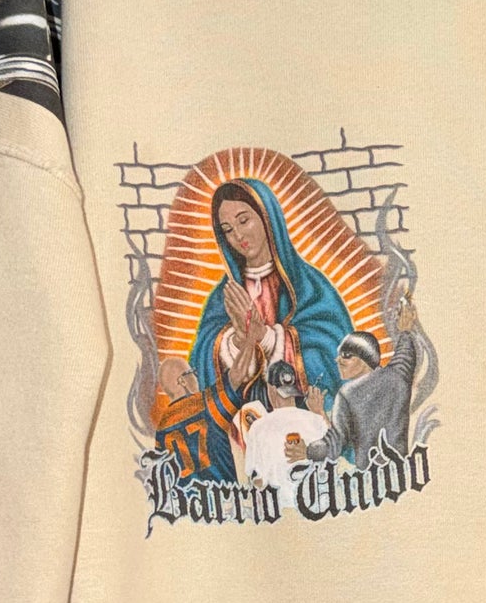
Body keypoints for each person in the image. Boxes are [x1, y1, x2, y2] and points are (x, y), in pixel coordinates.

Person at [162, 177, 358, 481]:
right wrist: (235, 342)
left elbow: (331, 348)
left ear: (268, 218)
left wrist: (266, 338)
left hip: (300, 418)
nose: (238, 235)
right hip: (246, 422)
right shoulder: (224, 296)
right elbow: (202, 358)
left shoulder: (308, 285)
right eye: (228, 230)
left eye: (244, 220)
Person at [309, 294, 423, 464]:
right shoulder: (398, 376)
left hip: (371, 476)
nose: (338, 360)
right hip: (401, 472)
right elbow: (405, 352)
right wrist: (405, 330)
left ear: (364, 359)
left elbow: (335, 443)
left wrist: (307, 451)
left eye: (346, 355)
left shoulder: (347, 393)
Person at [238, 361, 330, 510]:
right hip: (317, 508)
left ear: (271, 389)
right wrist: (320, 412)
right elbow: (334, 454)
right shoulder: (317, 420)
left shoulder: (258, 428)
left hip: (280, 513)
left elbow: (254, 477)